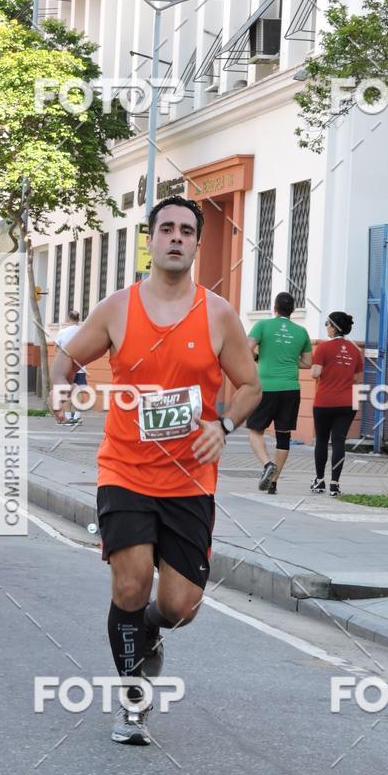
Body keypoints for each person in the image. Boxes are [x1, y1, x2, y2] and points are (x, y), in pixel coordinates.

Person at [49, 195, 261, 745]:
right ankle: (133, 701)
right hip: (124, 471)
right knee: (131, 582)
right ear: (150, 239)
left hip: (191, 480)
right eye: (164, 228)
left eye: (185, 231)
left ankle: (149, 631)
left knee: (179, 605)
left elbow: (250, 386)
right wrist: (62, 391)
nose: (174, 237)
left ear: (196, 243)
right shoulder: (118, 307)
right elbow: (67, 357)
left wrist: (227, 426)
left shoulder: (218, 314)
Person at [246, 292, 312, 494]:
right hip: (291, 389)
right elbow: (308, 363)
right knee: (283, 436)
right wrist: (291, 361)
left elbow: (246, 347)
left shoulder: (262, 326)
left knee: (255, 430)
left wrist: (258, 357)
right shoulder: (302, 332)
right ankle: (274, 482)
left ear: (274, 308)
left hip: (266, 388)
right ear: (292, 311)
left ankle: (267, 464)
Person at [310, 312, 363, 496]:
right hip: (348, 403)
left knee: (322, 441)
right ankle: (335, 484)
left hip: (324, 402)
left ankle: (319, 481)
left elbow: (315, 373)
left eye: (327, 324)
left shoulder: (323, 348)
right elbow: (357, 379)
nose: (326, 327)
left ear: (333, 327)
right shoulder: (356, 350)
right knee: (339, 441)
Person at [56, 311, 87, 424]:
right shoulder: (84, 332)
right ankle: (77, 416)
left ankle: (68, 418)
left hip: (66, 368)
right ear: (78, 319)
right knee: (78, 391)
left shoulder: (62, 332)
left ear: (67, 318)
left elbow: (57, 349)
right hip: (81, 367)